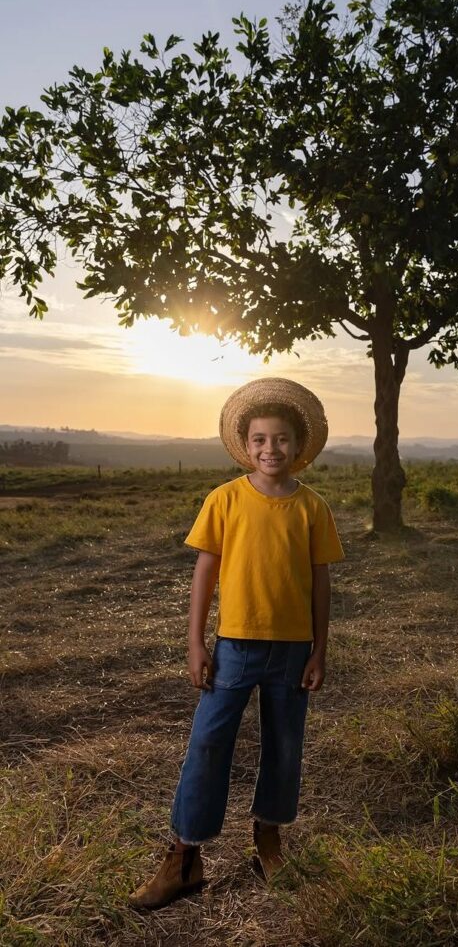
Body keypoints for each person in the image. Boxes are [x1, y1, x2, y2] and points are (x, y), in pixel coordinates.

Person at [129, 377, 345, 909]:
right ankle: (184, 857)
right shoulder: (225, 499)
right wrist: (195, 642)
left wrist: (319, 649)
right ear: (245, 445)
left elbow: (321, 581)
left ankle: (268, 840)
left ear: (299, 444)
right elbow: (206, 571)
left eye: (281, 439)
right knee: (208, 743)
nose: (271, 449)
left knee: (285, 746)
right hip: (232, 647)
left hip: (293, 651)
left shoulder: (311, 508)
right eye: (259, 440)